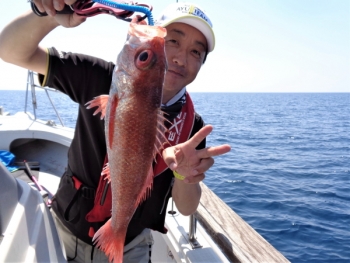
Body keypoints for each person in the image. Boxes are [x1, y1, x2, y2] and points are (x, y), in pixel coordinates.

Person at [0, 1, 231, 262]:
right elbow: (9, 50)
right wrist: (49, 14)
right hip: (67, 229)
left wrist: (182, 174)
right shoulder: (98, 77)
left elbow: (187, 208)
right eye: (172, 41)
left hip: (131, 244)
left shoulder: (193, 127)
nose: (179, 58)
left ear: (202, 63)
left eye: (196, 52)